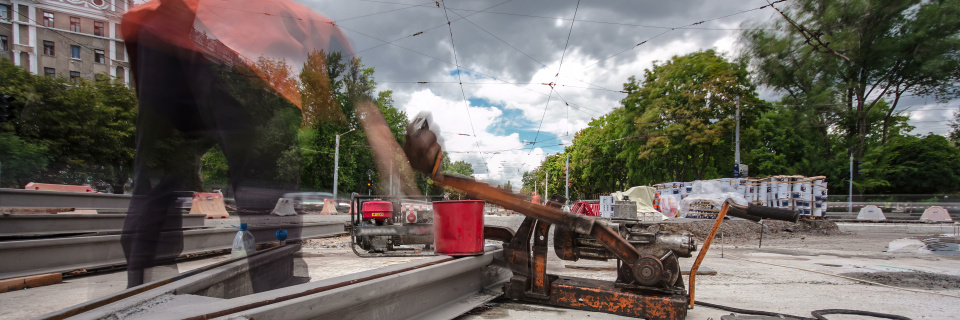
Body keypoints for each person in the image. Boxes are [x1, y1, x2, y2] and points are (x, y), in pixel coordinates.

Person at [119, 0, 352, 288]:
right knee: (260, 164)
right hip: (219, 42)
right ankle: (275, 283)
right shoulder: (295, 29)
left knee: (161, 169)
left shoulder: (156, 24)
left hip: (174, 30)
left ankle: (144, 281)